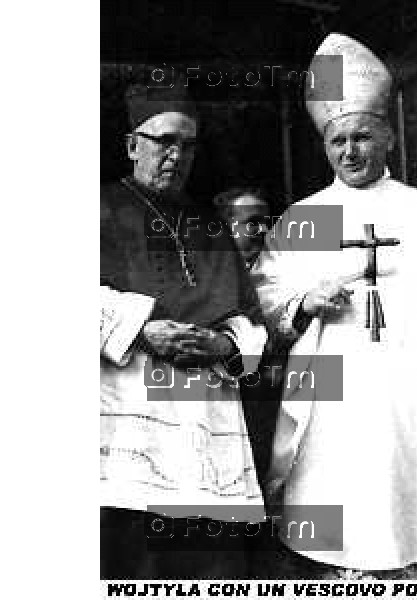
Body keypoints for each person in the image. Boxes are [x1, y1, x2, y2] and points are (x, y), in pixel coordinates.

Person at [252, 33, 417, 579]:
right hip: (332, 401)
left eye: (362, 137)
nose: (350, 152)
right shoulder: (300, 219)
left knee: (414, 528)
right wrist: (303, 300)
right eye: (338, 142)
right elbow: (266, 296)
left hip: (413, 396)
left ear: (386, 137)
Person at [100, 82, 268, 579]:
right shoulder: (94, 210)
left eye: (188, 145)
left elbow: (250, 320)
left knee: (208, 566)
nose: (177, 155)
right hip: (128, 423)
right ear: (133, 145)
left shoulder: (209, 225)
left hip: (208, 423)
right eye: (164, 141)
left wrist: (223, 342)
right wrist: (142, 329)